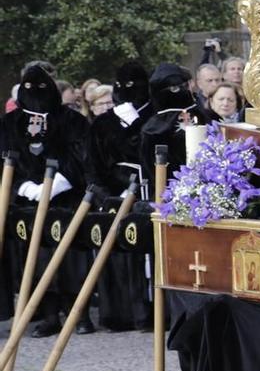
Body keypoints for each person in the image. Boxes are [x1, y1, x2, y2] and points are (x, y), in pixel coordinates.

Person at [2, 62, 96, 337]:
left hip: (66, 200)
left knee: (71, 259)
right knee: (38, 260)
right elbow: (7, 159)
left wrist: (58, 183)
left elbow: (82, 155)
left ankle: (78, 313)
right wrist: (26, 188)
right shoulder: (9, 124)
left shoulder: (71, 120)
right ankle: (48, 315)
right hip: (28, 204)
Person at [88, 61, 155, 332]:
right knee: (121, 255)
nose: (126, 91)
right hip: (117, 197)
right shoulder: (103, 124)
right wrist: (108, 197)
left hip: (149, 192)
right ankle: (123, 314)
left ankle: (153, 312)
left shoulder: (156, 116)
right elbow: (93, 165)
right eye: (121, 86)